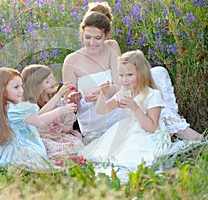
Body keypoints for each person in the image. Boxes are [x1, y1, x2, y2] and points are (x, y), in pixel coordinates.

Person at [62, 2, 204, 144]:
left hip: (117, 104)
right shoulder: (71, 61)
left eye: (97, 38)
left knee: (157, 73)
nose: (92, 43)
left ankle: (174, 125)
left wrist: (102, 92)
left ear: (106, 35)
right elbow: (68, 99)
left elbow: (122, 85)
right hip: (96, 116)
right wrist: (73, 98)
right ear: (82, 33)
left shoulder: (111, 46)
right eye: (87, 37)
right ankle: (167, 129)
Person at [79, 50, 171, 169]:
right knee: (107, 150)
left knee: (132, 153)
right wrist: (102, 94)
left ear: (141, 73)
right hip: (128, 129)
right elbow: (102, 110)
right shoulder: (124, 93)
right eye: (121, 76)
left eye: (129, 75)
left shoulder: (152, 95)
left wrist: (134, 107)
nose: (124, 80)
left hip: (148, 133)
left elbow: (152, 127)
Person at [0, 67, 77, 169]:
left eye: (21, 86)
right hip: (12, 150)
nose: (21, 91)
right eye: (16, 87)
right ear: (2, 90)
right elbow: (39, 120)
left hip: (3, 146)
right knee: (36, 155)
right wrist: (59, 111)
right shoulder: (14, 110)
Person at [22, 64, 84, 160]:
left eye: (52, 78)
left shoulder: (60, 102)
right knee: (48, 147)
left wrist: (71, 107)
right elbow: (38, 118)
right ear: (35, 87)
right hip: (42, 139)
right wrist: (59, 94)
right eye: (47, 81)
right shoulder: (30, 106)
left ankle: (65, 158)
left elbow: (66, 129)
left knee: (76, 143)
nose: (52, 82)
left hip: (58, 137)